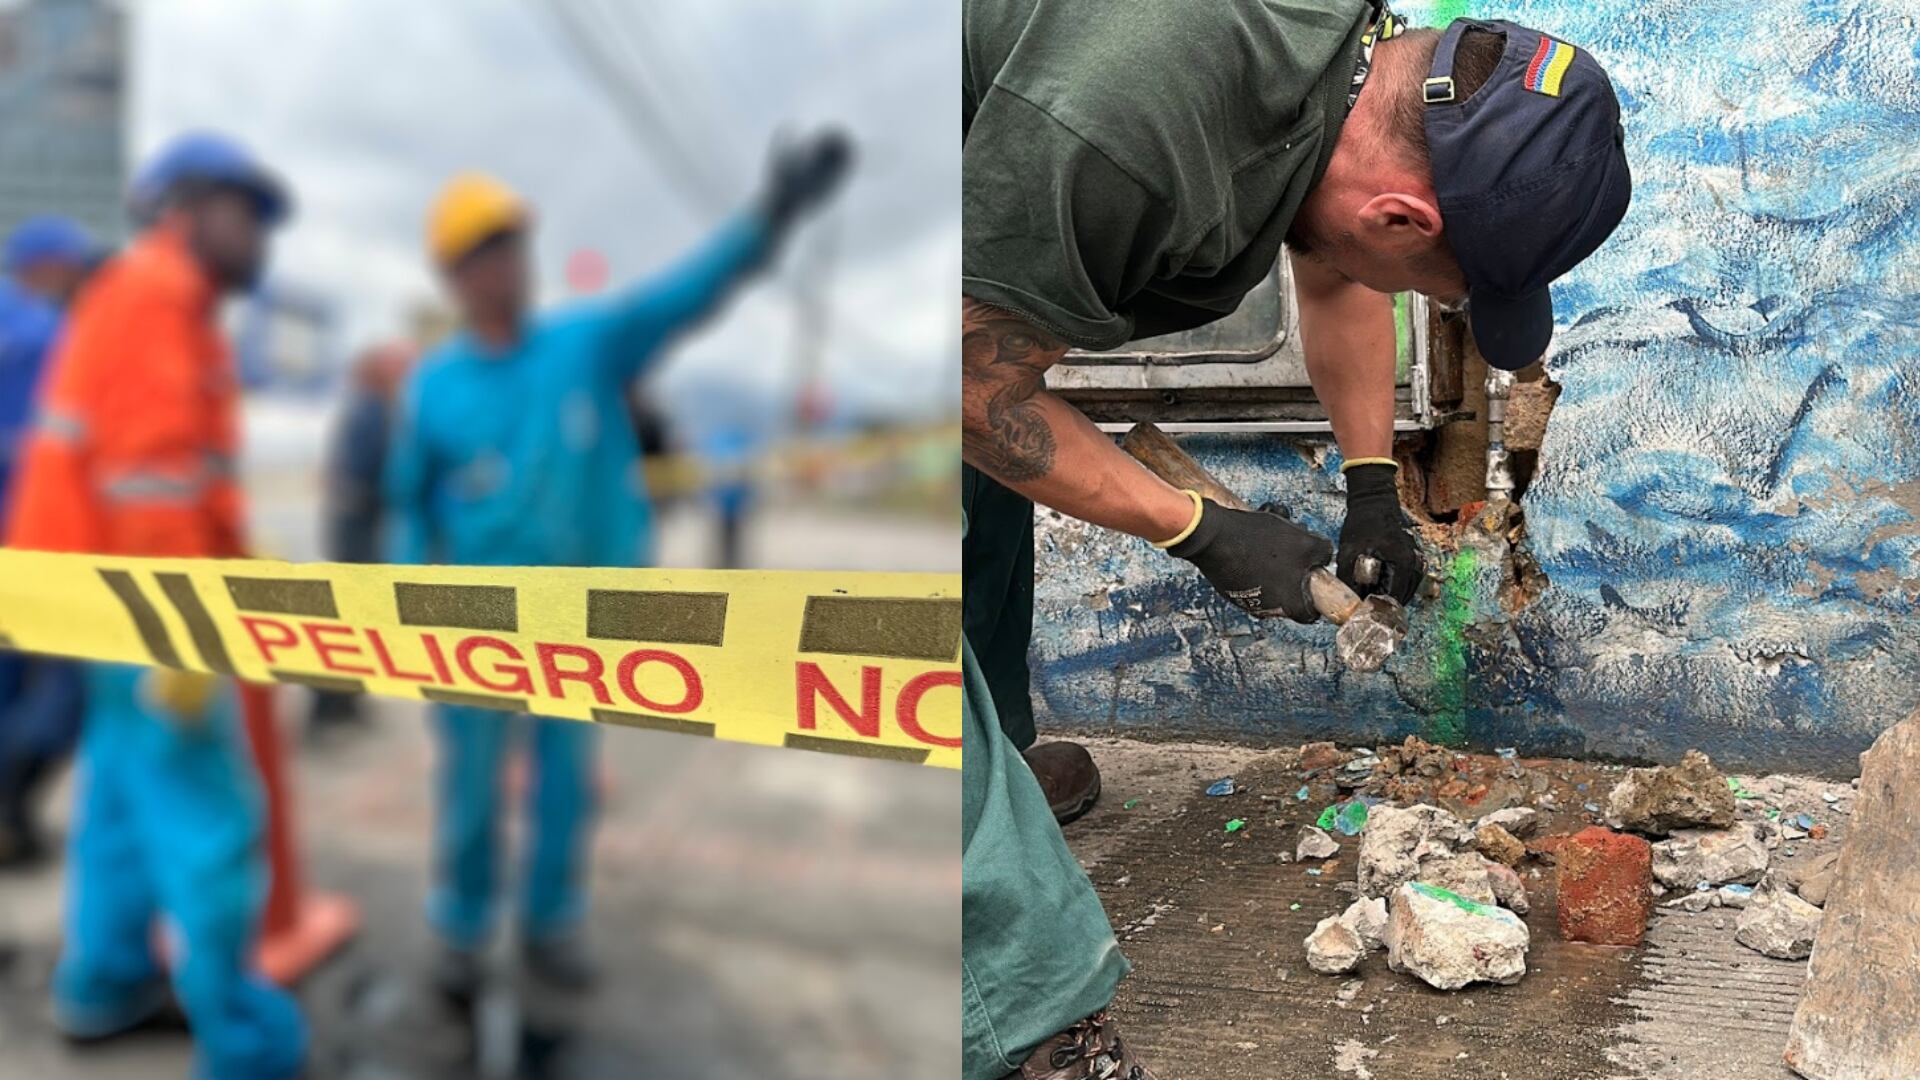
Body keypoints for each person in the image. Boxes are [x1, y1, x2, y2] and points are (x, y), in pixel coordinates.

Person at [959, 5, 1631, 1076]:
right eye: (1446, 291)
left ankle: (986, 745)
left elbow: (1337, 264)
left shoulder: (1366, 69)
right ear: (1407, 217)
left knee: (973, 491)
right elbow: (964, 384)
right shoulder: (1126, 132)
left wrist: (1371, 486)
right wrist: (1199, 529)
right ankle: (1006, 1010)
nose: (1430, 300)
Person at [387, 131, 852, 998]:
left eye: (514, 243)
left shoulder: (583, 346)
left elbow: (685, 295)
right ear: (455, 276)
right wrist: (412, 609)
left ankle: (551, 923)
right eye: (487, 251)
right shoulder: (433, 387)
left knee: (565, 785)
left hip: (577, 623)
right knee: (470, 793)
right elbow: (409, 508)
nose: (510, 262)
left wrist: (770, 217)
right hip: (472, 630)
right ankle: (460, 926)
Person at [3, 133, 307, 1079]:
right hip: (145, 608)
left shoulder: (150, 300)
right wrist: (185, 641)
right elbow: (148, 492)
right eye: (247, 211)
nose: (261, 235)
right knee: (211, 819)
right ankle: (246, 1043)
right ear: (186, 209)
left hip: (91, 602)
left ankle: (103, 986)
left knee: (123, 805)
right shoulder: (157, 297)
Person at [0, 214, 95, 867]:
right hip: (37, 550)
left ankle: (12, 822)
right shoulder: (51, 334)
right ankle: (10, 812)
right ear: (45, 264)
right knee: (68, 694)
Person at [309, 341, 416, 737]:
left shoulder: (364, 408)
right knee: (349, 614)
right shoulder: (372, 412)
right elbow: (375, 471)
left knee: (353, 612)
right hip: (358, 525)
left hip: (352, 521)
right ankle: (329, 705)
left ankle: (344, 700)